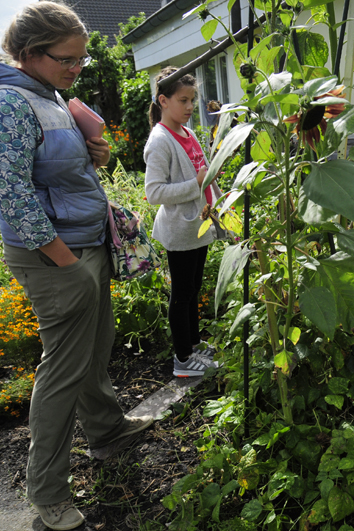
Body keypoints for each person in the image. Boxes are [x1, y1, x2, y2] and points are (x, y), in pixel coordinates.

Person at [0, 3, 153, 529]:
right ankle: (48, 492)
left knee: (96, 345)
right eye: (67, 59)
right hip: (53, 254)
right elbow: (9, 190)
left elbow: (53, 172)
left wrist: (95, 156)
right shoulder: (11, 102)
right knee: (62, 370)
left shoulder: (52, 96)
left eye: (81, 60)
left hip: (83, 243)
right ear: (27, 54)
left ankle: (107, 431)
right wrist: (62, 257)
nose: (76, 68)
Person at [144, 67, 226, 377]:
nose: (191, 107)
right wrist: (196, 183)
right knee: (181, 294)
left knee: (192, 290)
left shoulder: (187, 132)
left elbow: (206, 173)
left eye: (192, 99)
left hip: (198, 226)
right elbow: (153, 193)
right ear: (163, 101)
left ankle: (193, 346)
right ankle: (182, 360)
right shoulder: (160, 141)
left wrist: (220, 205)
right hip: (180, 229)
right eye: (183, 100)